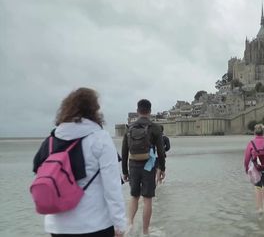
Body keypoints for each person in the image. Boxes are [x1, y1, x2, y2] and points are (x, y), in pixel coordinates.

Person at [32, 87, 126, 237]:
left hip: (57, 226)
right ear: (94, 111)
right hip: (94, 224)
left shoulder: (50, 141)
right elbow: (112, 187)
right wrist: (120, 224)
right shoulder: (100, 138)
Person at [121, 99, 166, 235]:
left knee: (134, 196)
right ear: (150, 111)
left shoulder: (130, 128)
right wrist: (162, 169)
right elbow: (161, 151)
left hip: (133, 164)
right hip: (149, 166)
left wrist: (124, 171)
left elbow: (124, 151)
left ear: (137, 111)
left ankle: (129, 225)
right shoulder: (155, 128)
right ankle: (145, 232)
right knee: (147, 199)